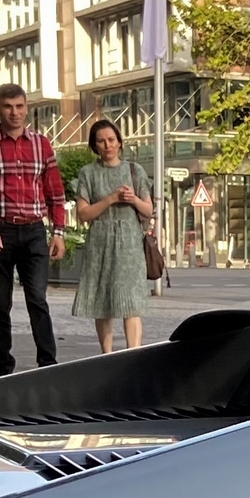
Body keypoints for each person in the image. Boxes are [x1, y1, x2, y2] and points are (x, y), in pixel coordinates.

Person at [0, 83, 65, 375]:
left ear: (26, 108)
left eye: (20, 106)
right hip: (0, 233)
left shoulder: (42, 144)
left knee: (37, 298)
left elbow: (55, 193)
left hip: (34, 230)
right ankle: (4, 366)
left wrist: (58, 230)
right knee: (1, 301)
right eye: (8, 107)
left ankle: (48, 365)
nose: (15, 113)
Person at [70, 117, 153, 352]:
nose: (107, 145)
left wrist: (133, 199)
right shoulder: (88, 173)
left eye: (111, 140)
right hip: (100, 241)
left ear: (119, 142)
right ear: (94, 146)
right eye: (101, 141)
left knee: (131, 300)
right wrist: (110, 199)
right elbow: (83, 214)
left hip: (129, 242)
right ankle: (106, 354)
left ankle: (133, 352)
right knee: (103, 299)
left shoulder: (134, 170)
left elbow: (149, 210)